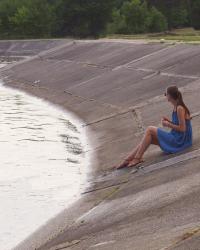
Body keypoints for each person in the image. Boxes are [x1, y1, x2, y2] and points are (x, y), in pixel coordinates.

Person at [115, 85, 193, 169]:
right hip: (178, 139)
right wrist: (169, 121)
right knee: (149, 138)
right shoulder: (176, 106)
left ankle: (137, 158)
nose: (165, 96)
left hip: (180, 141)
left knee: (150, 129)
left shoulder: (179, 108)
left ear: (170, 96)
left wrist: (167, 124)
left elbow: (182, 128)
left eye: (165, 94)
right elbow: (179, 124)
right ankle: (128, 159)